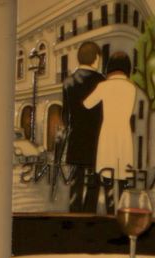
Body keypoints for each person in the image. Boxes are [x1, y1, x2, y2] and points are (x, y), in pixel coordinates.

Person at [84, 52, 142, 197]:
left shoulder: (103, 86)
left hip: (107, 134)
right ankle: (122, 205)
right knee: (123, 177)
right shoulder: (131, 87)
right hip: (124, 134)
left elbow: (87, 104)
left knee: (107, 175)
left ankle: (110, 207)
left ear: (109, 67)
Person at [61, 42, 105, 214]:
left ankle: (74, 216)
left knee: (75, 184)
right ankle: (89, 215)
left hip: (76, 139)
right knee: (94, 183)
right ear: (96, 58)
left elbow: (66, 115)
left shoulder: (68, 82)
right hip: (96, 140)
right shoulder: (101, 81)